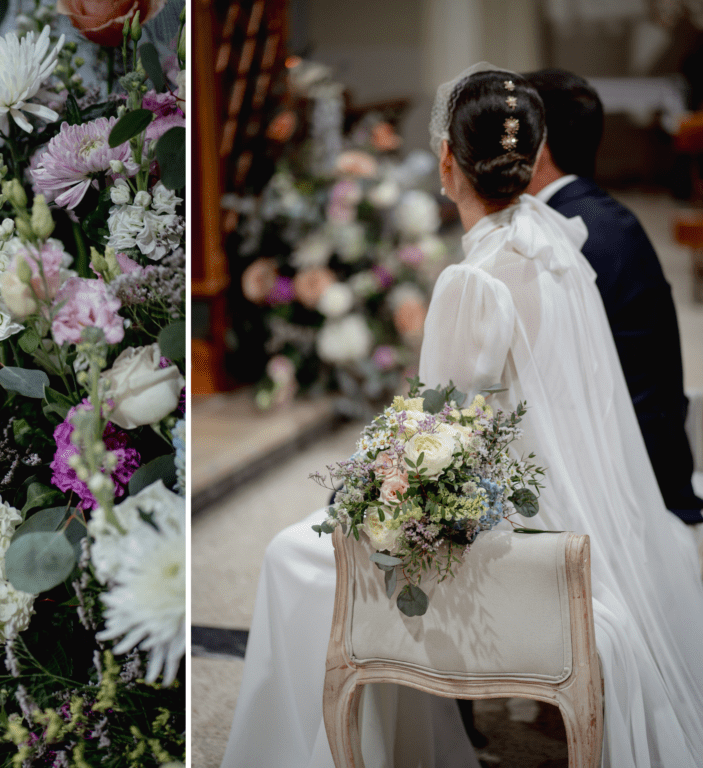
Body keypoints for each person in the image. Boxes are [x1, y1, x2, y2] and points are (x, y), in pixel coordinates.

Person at [220, 63, 703, 768]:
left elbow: (437, 437)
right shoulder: (557, 243)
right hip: (578, 520)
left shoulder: (473, 282)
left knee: (289, 556)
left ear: (447, 160)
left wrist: (377, 487)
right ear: (533, 158)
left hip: (515, 538)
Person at [523, 67, 703, 525]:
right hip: (648, 456)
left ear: (538, 145)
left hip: (630, 492)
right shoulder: (603, 216)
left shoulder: (565, 237)